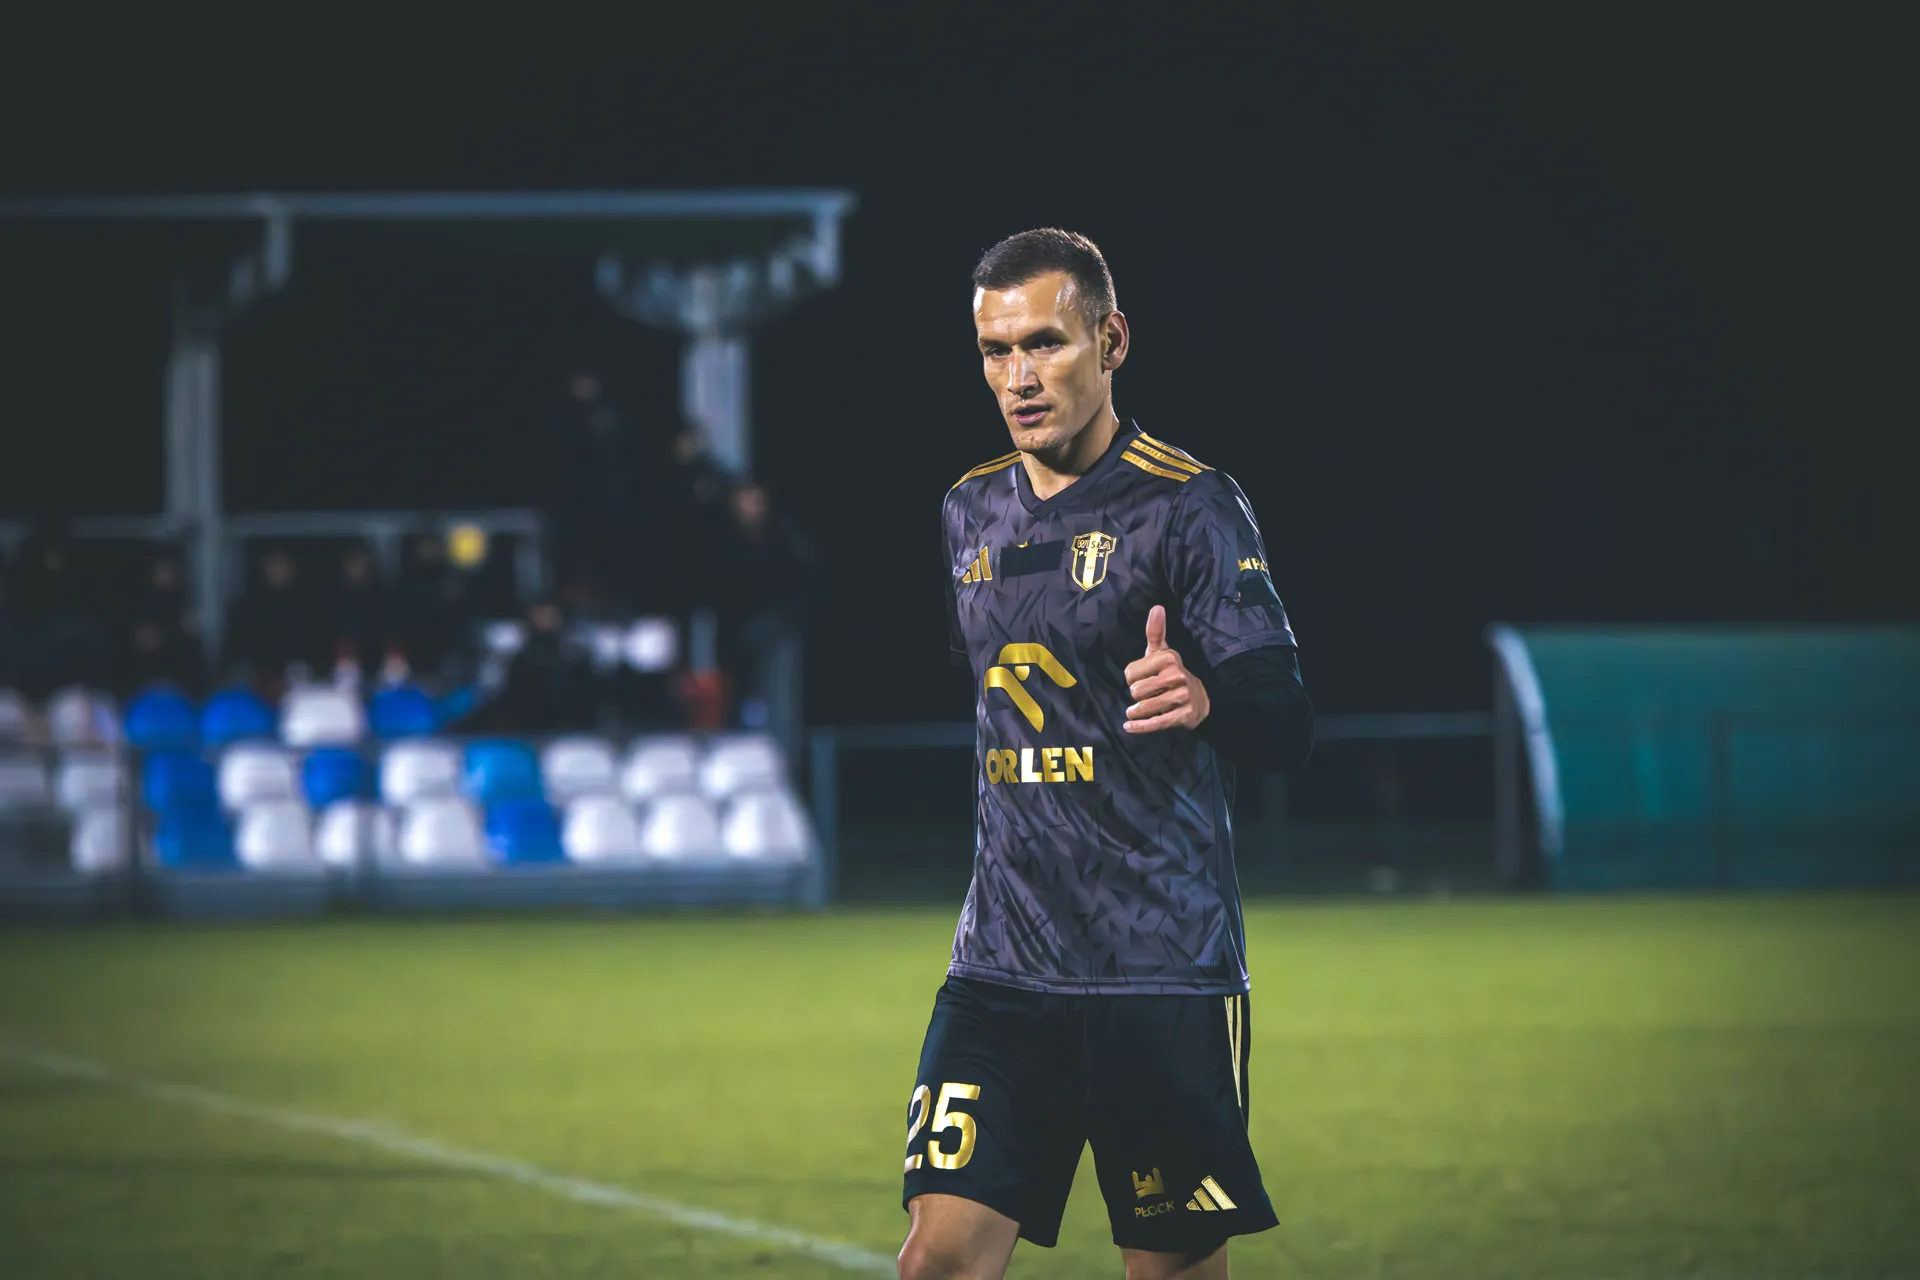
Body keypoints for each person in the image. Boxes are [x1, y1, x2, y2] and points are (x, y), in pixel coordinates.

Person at [897, 230, 1314, 1280]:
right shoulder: (968, 510)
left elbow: (1283, 718)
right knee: (937, 1259)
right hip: (1001, 964)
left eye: (1045, 342)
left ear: (1111, 340)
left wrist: (1207, 697)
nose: (1019, 376)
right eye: (996, 351)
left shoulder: (1190, 504)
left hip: (1157, 969)